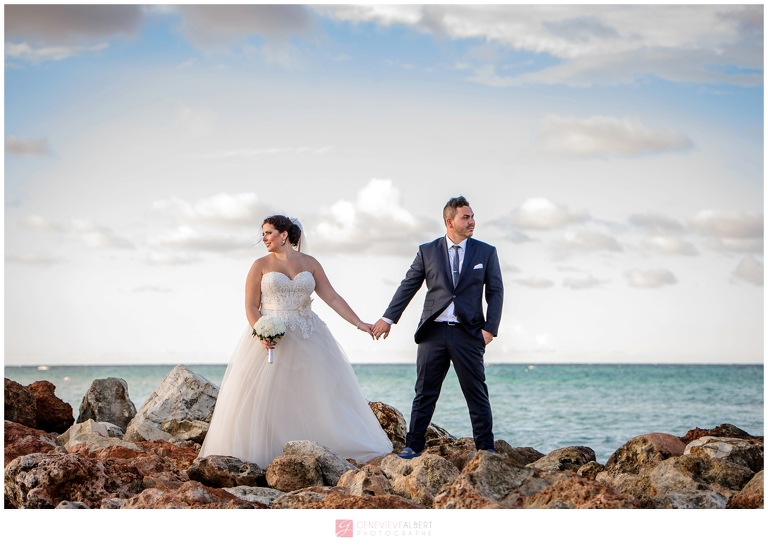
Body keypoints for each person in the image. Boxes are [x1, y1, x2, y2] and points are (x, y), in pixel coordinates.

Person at [199, 215, 393, 467]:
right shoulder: (260, 265)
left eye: (268, 233)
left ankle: (315, 446)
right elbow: (251, 305)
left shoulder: (310, 263)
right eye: (263, 233)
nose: (264, 238)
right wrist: (262, 332)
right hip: (271, 336)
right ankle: (268, 449)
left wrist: (359, 323)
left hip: (309, 335)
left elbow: (332, 297)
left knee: (313, 392)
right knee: (268, 394)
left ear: (284, 235)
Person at [372, 196, 503, 459]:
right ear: (449, 221)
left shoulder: (486, 252)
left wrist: (490, 329)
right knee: (424, 393)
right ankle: (413, 446)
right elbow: (409, 285)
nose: (472, 221)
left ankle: (486, 447)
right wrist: (388, 318)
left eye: (472, 217)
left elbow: (496, 292)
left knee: (476, 393)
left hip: (469, 332)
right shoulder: (427, 251)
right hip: (432, 332)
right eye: (466, 217)